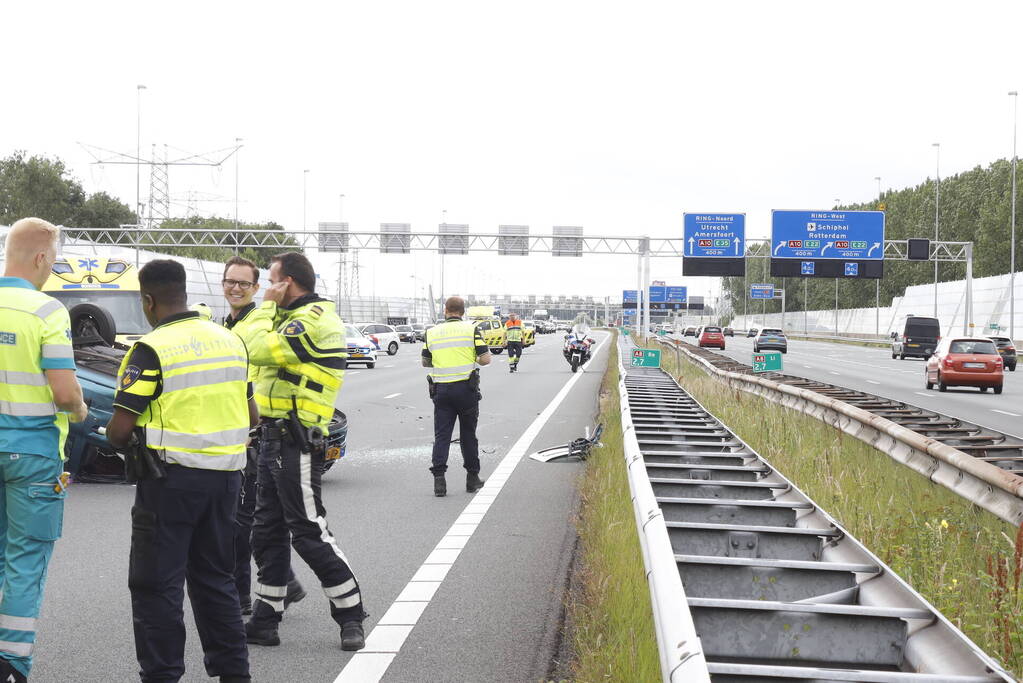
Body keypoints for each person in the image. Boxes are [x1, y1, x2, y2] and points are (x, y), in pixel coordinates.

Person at [105, 259, 255, 683]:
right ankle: (234, 675)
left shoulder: (150, 350)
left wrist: (113, 436)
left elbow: (120, 430)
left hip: (170, 483)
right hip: (227, 479)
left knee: (156, 587)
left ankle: (162, 675)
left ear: (148, 300)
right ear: (184, 292)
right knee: (216, 582)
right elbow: (253, 416)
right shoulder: (230, 342)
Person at [236, 251, 366, 651]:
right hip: (272, 436)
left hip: (298, 439)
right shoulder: (289, 318)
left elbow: (252, 349)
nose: (265, 289)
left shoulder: (315, 321)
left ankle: (351, 614)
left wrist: (262, 309)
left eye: (270, 281)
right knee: (267, 532)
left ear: (287, 283)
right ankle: (266, 618)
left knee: (308, 530)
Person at [0, 218, 87, 683]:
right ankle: (11, 663)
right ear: (40, 257)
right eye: (53, 260)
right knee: (25, 559)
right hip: (32, 454)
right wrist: (80, 414)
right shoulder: (47, 311)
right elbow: (64, 393)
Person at [220, 256, 305, 617]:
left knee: (242, 523)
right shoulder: (228, 323)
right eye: (230, 281)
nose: (235, 288)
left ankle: (243, 596)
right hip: (237, 431)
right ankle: (285, 583)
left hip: (257, 431)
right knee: (252, 521)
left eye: (243, 283)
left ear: (256, 288)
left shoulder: (259, 320)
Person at [422, 296, 492, 497]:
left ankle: (439, 483)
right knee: (468, 435)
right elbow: (485, 360)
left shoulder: (432, 332)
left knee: (442, 436)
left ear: (446, 311)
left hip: (442, 392)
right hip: (466, 391)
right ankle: (472, 479)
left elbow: (425, 362)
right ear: (463, 312)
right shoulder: (471, 329)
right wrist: (473, 357)